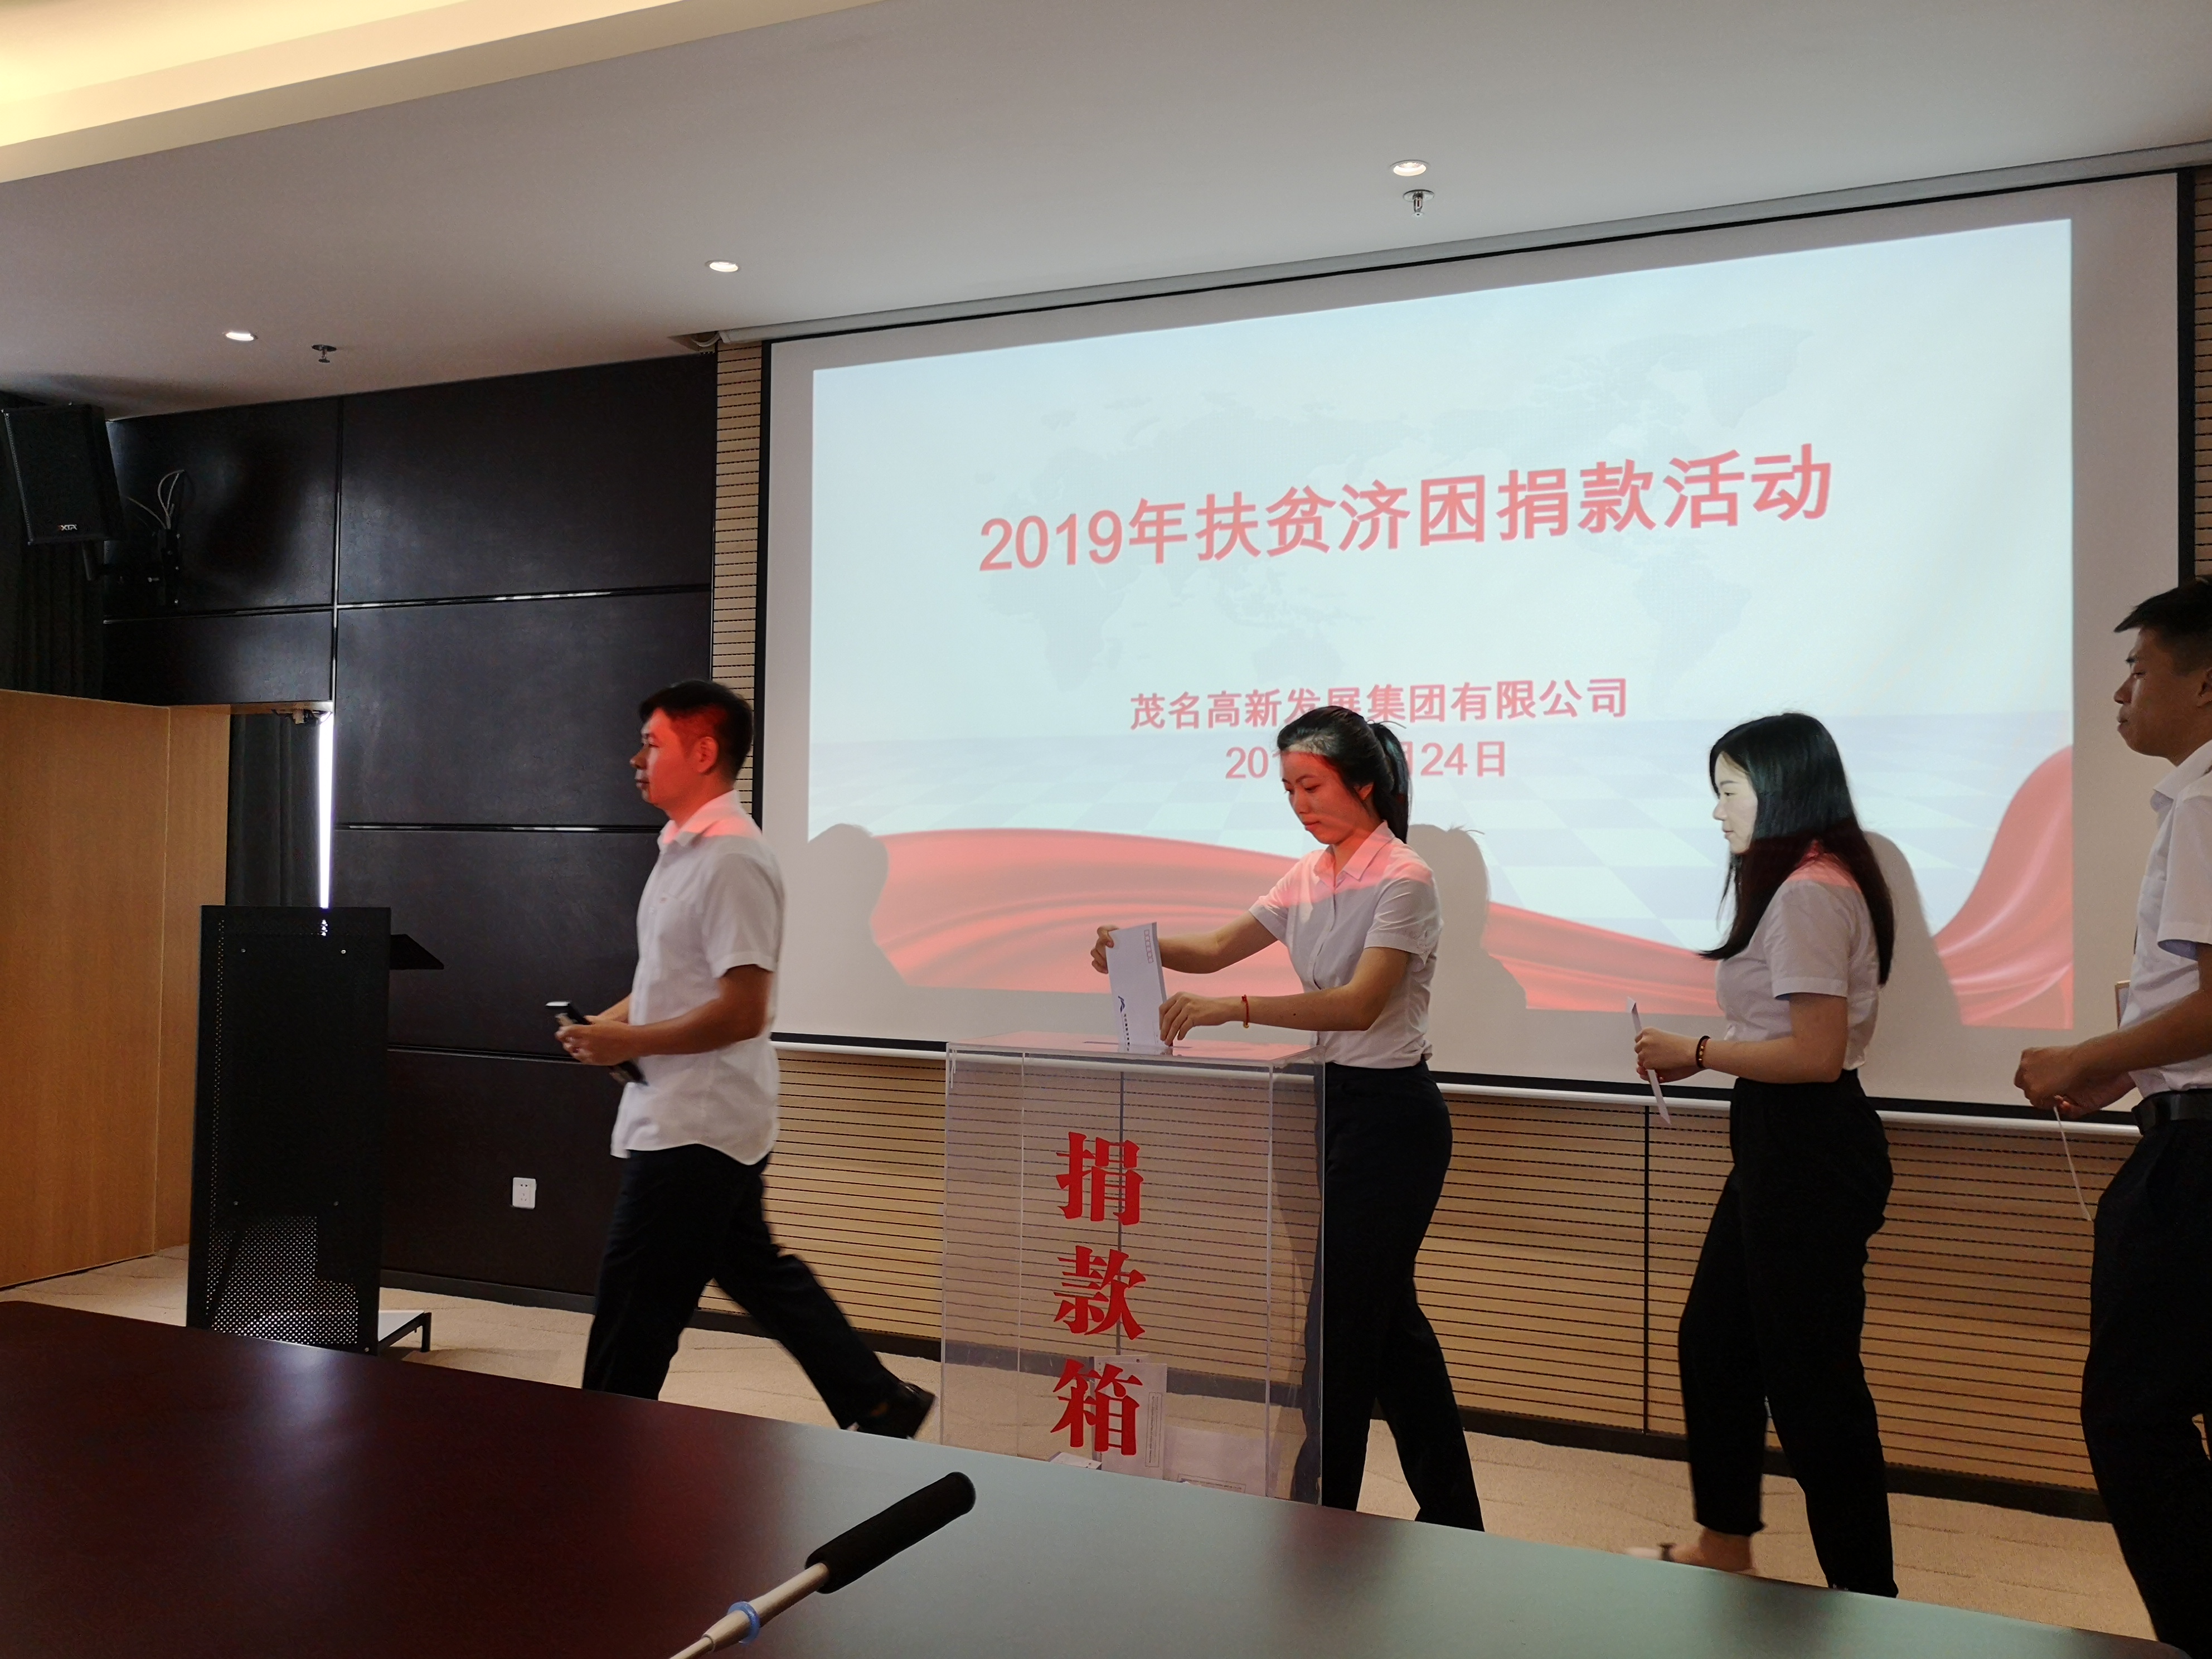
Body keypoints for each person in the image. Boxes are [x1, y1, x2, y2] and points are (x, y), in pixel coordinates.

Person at [1089, 705, 1482, 1529]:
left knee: (1337, 1335)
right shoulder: (1307, 874)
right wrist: (1136, 946)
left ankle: (1318, 1517)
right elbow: (1216, 948)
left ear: (1364, 784)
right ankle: (1454, 1518)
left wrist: (1233, 1010)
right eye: (1289, 790)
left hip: (1392, 1120)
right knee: (1388, 1330)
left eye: (1313, 786)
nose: (1300, 804)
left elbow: (1361, 1005)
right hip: (1328, 1108)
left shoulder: (1405, 877)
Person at [557, 678, 932, 1437]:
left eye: (652, 744)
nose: (636, 759)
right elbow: (675, 977)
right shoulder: (684, 849)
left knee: (636, 1303)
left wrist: (628, 1042)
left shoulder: (731, 857)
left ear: (703, 752)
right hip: (686, 1112)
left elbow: (744, 1008)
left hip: (698, 1123)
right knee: (755, 1271)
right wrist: (610, 1023)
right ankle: (879, 1400)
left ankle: (598, 1448)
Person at [1631, 712, 1897, 1595]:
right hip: (1781, 1138)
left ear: (1783, 790)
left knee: (1814, 1384)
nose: (1718, 812)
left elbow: (1816, 1056)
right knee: (1716, 1342)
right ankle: (1725, 1545)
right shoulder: (1803, 882)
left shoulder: (1810, 890)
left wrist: (1698, 1051)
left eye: (1730, 791)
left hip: (1810, 1143)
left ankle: (1868, 1596)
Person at [2015, 580, 2212, 1659]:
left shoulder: (2206, 802)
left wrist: (2086, 1056)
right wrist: (2134, 1069)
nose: (2122, 692)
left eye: (2139, 669)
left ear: (2205, 681)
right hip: (2185, 1117)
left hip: (2201, 1156)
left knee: (2132, 1414)